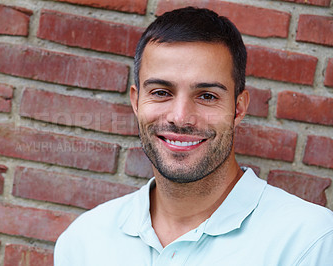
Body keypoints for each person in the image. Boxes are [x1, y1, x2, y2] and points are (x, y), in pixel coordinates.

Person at [54, 7, 333, 265]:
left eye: (207, 96)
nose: (180, 117)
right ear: (136, 102)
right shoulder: (83, 243)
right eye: (161, 92)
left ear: (238, 108)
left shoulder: (310, 242)